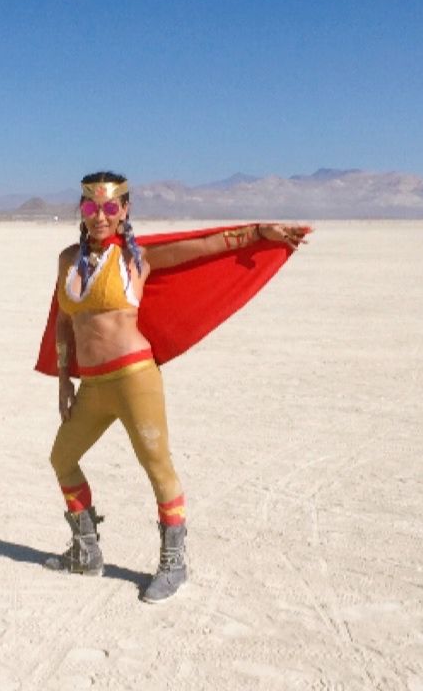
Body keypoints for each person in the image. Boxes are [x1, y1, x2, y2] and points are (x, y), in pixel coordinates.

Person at [35, 171, 310, 603]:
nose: (100, 216)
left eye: (110, 207)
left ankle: (174, 563)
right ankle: (86, 552)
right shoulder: (68, 260)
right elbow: (64, 322)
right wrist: (64, 380)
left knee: (157, 467)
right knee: (62, 458)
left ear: (124, 210)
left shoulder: (137, 257)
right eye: (91, 207)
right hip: (92, 385)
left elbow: (204, 246)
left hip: (134, 378)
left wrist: (259, 232)